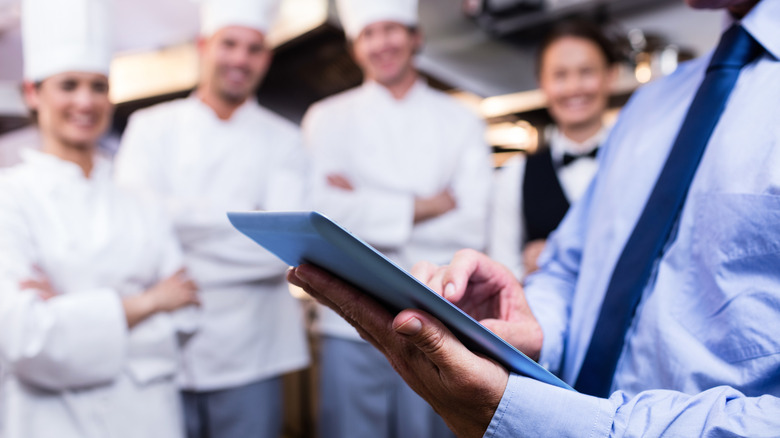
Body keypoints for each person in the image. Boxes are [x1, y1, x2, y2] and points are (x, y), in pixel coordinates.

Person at [288, 0, 780, 436]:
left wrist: (569, 425)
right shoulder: (648, 107)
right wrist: (538, 326)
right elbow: (569, 267)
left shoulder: (461, 120)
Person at [0, 0, 201, 436]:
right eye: (68, 85)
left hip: (148, 419)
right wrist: (147, 303)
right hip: (48, 423)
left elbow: (186, 317)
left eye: (98, 85)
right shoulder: (9, 197)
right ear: (32, 93)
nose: (85, 101)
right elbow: (24, 339)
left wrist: (68, 313)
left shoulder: (142, 200)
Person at [114, 0, 309, 436]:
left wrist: (177, 228)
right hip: (161, 352)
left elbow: (281, 250)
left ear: (267, 58)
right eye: (229, 44)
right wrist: (248, 222)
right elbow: (135, 233)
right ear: (204, 46)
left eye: (254, 48)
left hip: (252, 354)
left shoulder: (286, 140)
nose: (240, 59)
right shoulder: (150, 127)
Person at [300, 1, 493, 437]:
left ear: (416, 36)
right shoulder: (325, 118)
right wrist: (426, 206)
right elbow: (320, 221)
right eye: (368, 33)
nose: (381, 43)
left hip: (436, 321)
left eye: (392, 29)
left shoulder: (462, 120)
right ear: (354, 47)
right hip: (346, 318)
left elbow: (470, 225)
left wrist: (362, 208)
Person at [490, 20, 618, 280]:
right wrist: (528, 269)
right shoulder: (515, 175)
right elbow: (502, 273)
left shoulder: (642, 163)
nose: (574, 87)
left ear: (611, 76)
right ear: (542, 84)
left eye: (586, 72)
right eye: (560, 75)